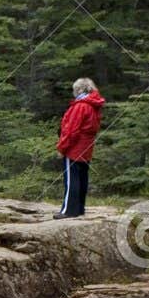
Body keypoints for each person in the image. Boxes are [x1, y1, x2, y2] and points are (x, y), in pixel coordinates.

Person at [56, 77, 104, 217]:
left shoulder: (80, 106)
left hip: (75, 148)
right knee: (82, 178)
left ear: (78, 89)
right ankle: (79, 209)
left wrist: (62, 148)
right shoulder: (93, 106)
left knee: (72, 179)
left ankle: (68, 211)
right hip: (86, 147)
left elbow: (71, 130)